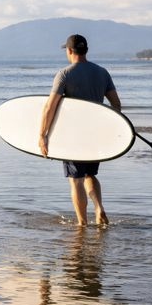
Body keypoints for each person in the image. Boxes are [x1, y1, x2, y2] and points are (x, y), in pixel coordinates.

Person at [38, 34, 122, 226]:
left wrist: (42, 135)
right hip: (95, 135)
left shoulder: (65, 74)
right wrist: (111, 128)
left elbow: (50, 107)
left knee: (76, 180)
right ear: (86, 50)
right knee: (90, 175)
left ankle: (82, 224)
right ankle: (99, 208)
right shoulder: (102, 72)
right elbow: (116, 105)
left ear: (69, 51)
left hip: (73, 137)